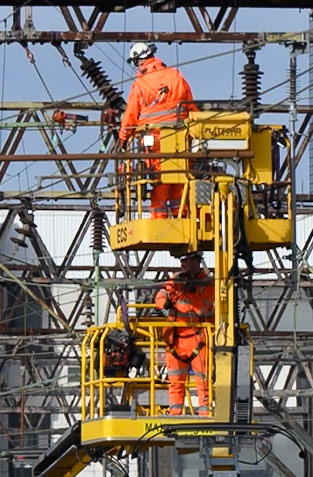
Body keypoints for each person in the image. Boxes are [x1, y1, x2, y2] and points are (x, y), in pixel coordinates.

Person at [119, 43, 199, 219]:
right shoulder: (176, 76)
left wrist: (123, 139)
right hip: (181, 141)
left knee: (160, 184)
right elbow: (192, 108)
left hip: (154, 145)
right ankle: (182, 217)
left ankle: (159, 221)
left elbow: (130, 116)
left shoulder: (141, 84)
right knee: (180, 180)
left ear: (139, 61)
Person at [155, 252, 214, 416]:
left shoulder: (207, 284)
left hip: (198, 341)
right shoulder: (175, 280)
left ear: (196, 262)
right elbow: (160, 295)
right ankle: (175, 413)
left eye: (186, 261)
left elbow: (202, 308)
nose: (182, 265)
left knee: (203, 382)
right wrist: (164, 303)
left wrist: (190, 291)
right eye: (182, 261)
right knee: (175, 382)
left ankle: (205, 414)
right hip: (175, 341)